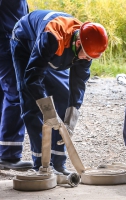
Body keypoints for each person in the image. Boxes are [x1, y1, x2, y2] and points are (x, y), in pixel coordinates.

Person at [10, 10, 108, 175]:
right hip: (25, 41)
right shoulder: (52, 38)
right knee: (31, 103)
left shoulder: (87, 49)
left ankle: (59, 164)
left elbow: (78, 85)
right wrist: (48, 112)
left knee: (63, 96)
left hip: (58, 50)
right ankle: (42, 164)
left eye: (92, 57)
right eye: (87, 56)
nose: (88, 60)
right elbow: (32, 78)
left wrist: (72, 116)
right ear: (78, 45)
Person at [0, 0, 33, 170]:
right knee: (15, 95)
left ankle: (5, 152)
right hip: (6, 40)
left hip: (8, 38)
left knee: (4, 94)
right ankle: (9, 155)